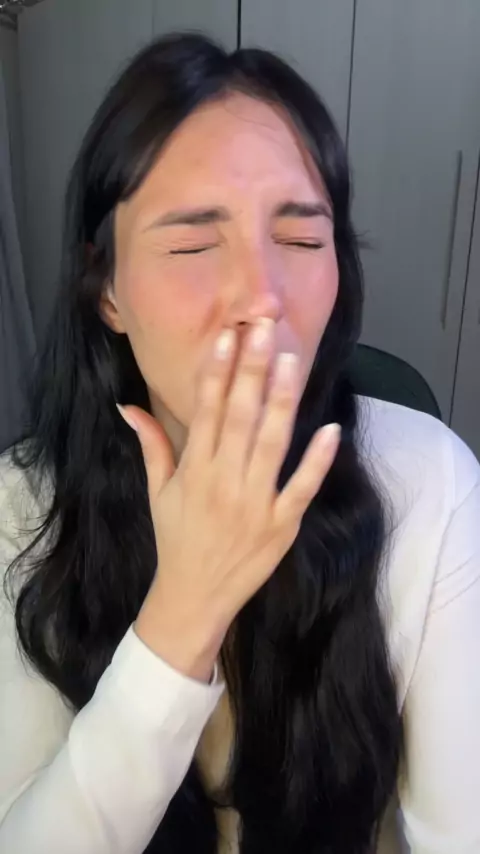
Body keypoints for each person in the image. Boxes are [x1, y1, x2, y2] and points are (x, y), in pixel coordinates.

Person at [0, 31, 479, 854]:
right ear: (106, 289)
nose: (263, 297)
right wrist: (184, 611)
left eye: (302, 241)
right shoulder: (20, 511)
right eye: (192, 244)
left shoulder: (430, 482)